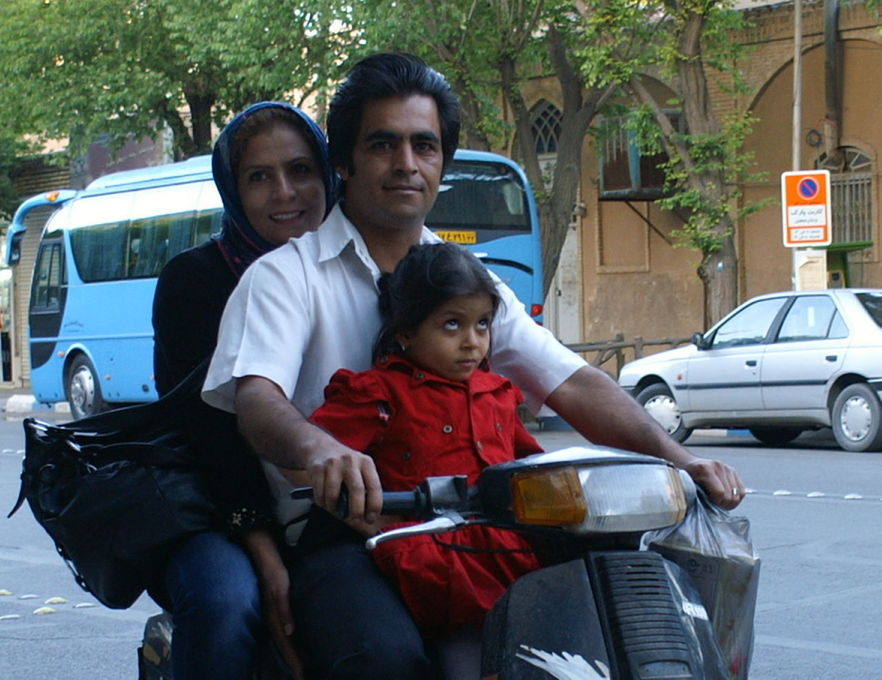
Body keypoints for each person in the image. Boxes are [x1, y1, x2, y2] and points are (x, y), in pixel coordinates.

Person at [203, 53, 745, 679]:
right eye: (383, 144)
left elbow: (572, 382)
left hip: (478, 531)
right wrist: (321, 449)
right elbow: (257, 399)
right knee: (387, 660)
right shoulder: (284, 276)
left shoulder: (469, 281)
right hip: (346, 534)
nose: (406, 163)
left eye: (424, 146)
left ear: (442, 163)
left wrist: (683, 460)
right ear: (345, 161)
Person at [151, 100, 336, 680]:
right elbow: (207, 435)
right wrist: (262, 549)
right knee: (228, 602)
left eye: (301, 170)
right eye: (259, 177)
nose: (285, 192)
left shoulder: (358, 269)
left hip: (326, 506)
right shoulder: (196, 280)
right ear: (233, 190)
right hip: (214, 506)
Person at [309, 243, 543, 635]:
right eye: (452, 324)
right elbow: (307, 456)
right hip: (425, 561)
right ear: (406, 331)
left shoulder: (498, 392)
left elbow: (533, 470)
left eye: (482, 323)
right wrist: (376, 524)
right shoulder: (378, 393)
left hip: (507, 554)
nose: (472, 340)